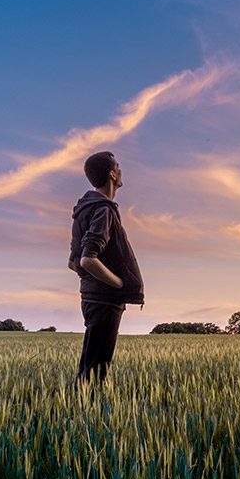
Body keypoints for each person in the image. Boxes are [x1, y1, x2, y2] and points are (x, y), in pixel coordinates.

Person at [68, 151, 144, 384]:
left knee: (90, 366)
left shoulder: (84, 210)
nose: (121, 171)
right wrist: (119, 283)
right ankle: (84, 415)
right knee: (96, 372)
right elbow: (86, 259)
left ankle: (78, 411)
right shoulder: (103, 209)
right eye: (118, 166)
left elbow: (73, 262)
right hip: (105, 299)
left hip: (91, 297)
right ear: (112, 174)